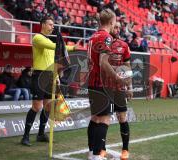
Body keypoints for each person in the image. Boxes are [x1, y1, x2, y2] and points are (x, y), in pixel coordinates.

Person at [21, 16, 80, 146]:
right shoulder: (38, 38)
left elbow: (52, 60)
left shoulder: (47, 39)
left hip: (50, 76)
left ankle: (40, 134)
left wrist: (56, 76)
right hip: (39, 75)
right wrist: (72, 48)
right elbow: (55, 47)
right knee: (37, 107)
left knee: (48, 107)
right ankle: (25, 136)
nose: (52, 27)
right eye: (50, 24)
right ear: (42, 25)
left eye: (53, 25)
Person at [87, 9, 130, 160]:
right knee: (104, 119)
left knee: (95, 118)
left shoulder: (92, 36)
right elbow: (103, 62)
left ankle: (92, 152)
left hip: (92, 82)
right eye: (115, 22)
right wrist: (117, 77)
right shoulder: (106, 37)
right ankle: (98, 155)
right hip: (102, 83)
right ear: (111, 21)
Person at [100, 22, 133, 160]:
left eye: (119, 27)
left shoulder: (124, 45)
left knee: (122, 118)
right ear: (109, 27)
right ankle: (101, 149)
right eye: (115, 27)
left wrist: (130, 87)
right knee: (103, 120)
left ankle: (125, 149)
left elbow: (127, 66)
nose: (118, 29)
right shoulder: (103, 43)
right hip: (104, 87)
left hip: (119, 88)